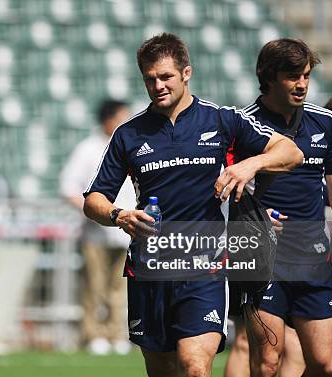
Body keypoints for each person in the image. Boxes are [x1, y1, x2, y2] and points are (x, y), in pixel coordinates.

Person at [83, 32, 303, 377]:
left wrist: (248, 165)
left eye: (166, 76)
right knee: (162, 370)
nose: (158, 85)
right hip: (149, 269)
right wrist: (119, 214)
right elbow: (94, 200)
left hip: (206, 268)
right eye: (150, 79)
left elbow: (291, 152)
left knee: (195, 367)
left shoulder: (221, 120)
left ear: (187, 73)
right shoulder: (128, 134)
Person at [235, 38, 332, 377]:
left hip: (313, 258)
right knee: (266, 363)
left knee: (326, 364)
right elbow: (224, 190)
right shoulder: (241, 125)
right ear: (269, 76)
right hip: (262, 259)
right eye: (293, 76)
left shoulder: (325, 123)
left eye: (306, 75)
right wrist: (255, 218)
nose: (302, 84)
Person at [60, 99, 135, 355]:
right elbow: (68, 187)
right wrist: (93, 212)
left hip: (125, 233)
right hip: (95, 233)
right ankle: (93, 335)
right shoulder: (88, 149)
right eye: (122, 116)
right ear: (108, 119)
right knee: (95, 286)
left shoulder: (131, 145)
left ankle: (117, 335)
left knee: (119, 287)